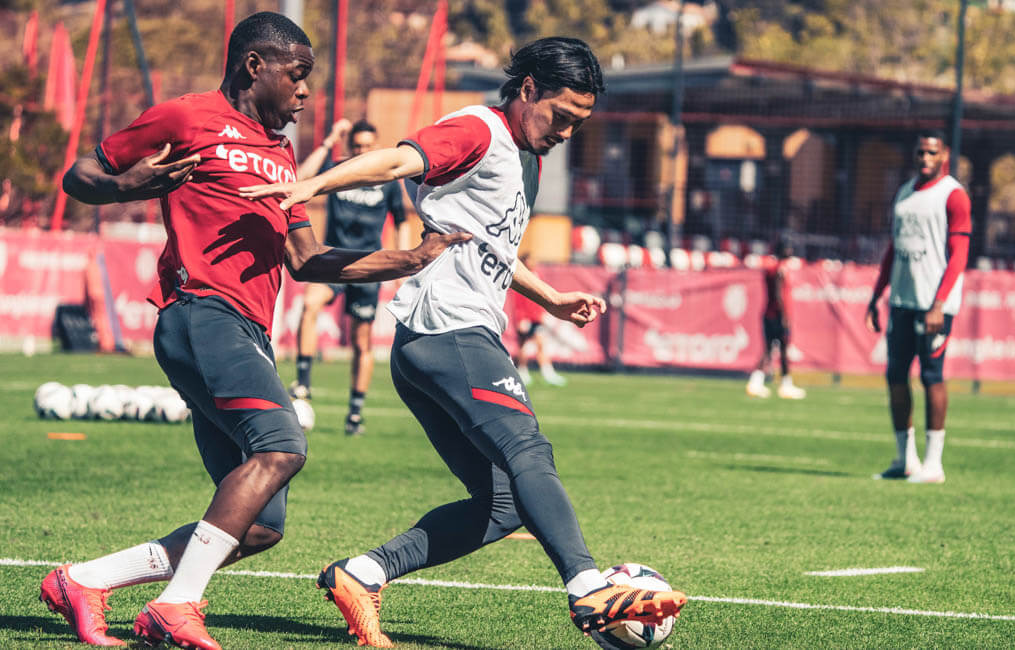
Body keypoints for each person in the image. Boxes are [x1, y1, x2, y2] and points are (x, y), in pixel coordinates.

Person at [241, 36, 686, 647]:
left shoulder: (525, 157)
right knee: (527, 450)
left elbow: (490, 245)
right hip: (448, 329)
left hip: (433, 341)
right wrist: (310, 186)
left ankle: (362, 573)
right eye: (561, 116)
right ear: (528, 89)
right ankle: (589, 586)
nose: (566, 133)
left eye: (579, 124)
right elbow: (396, 161)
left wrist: (549, 297)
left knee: (504, 502)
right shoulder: (479, 129)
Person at [40, 13, 466, 649]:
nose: (305, 91)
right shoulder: (185, 117)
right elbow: (78, 176)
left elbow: (306, 260)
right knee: (282, 446)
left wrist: (406, 260)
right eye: (297, 75)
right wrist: (127, 185)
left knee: (260, 524)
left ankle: (83, 581)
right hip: (200, 315)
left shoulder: (282, 153)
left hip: (246, 335)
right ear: (254, 66)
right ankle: (176, 605)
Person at [289, 117, 407, 435]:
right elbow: (302, 178)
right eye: (356, 146)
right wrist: (330, 140)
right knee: (310, 305)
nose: (362, 151)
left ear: (376, 146)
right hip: (332, 260)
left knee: (361, 342)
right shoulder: (338, 169)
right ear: (350, 147)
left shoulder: (387, 180)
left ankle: (355, 414)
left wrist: (402, 263)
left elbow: (401, 220)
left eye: (367, 146)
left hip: (368, 266)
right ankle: (303, 383)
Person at [866, 129, 971, 485]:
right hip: (902, 301)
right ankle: (904, 459)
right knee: (895, 375)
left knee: (931, 376)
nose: (925, 158)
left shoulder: (953, 195)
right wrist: (876, 295)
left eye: (931, 153)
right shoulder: (905, 193)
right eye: (920, 152)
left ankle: (934, 464)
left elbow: (959, 255)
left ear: (944, 155)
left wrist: (939, 303)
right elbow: (893, 249)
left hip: (933, 304)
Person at [746, 240, 806, 399]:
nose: (790, 251)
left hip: (769, 314)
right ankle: (784, 384)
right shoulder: (779, 269)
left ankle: (757, 382)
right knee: (781, 349)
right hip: (777, 315)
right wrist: (785, 315)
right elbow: (779, 294)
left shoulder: (771, 267)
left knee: (770, 349)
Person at [511, 253, 568, 387]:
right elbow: (518, 301)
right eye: (531, 260)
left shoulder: (536, 275)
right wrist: (521, 318)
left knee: (541, 344)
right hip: (525, 319)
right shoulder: (522, 278)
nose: (534, 263)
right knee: (523, 347)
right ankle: (522, 372)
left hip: (536, 318)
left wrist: (542, 313)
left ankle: (547, 372)